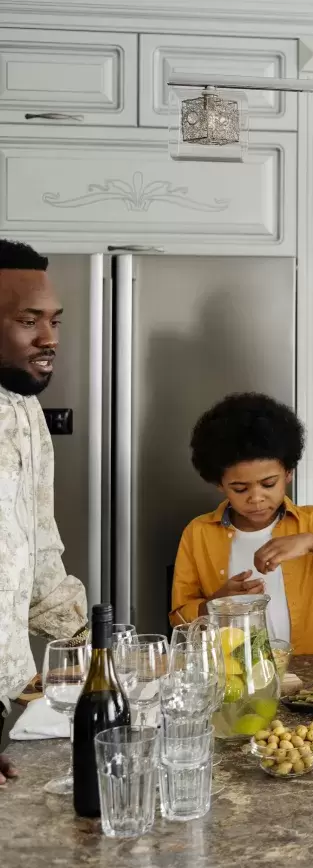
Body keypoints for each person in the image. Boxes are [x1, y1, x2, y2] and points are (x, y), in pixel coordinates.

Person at [169, 393, 313, 655]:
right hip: (230, 675)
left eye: (269, 484)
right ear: (219, 484)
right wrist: (218, 604)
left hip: (308, 674)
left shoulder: (312, 521)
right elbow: (179, 619)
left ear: (289, 473)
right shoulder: (198, 533)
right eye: (239, 488)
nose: (256, 498)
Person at [0, 239, 88, 786]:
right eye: (27, 320)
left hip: (8, 698)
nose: (49, 338)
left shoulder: (27, 414)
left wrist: (98, 652)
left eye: (53, 320)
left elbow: (38, 551)